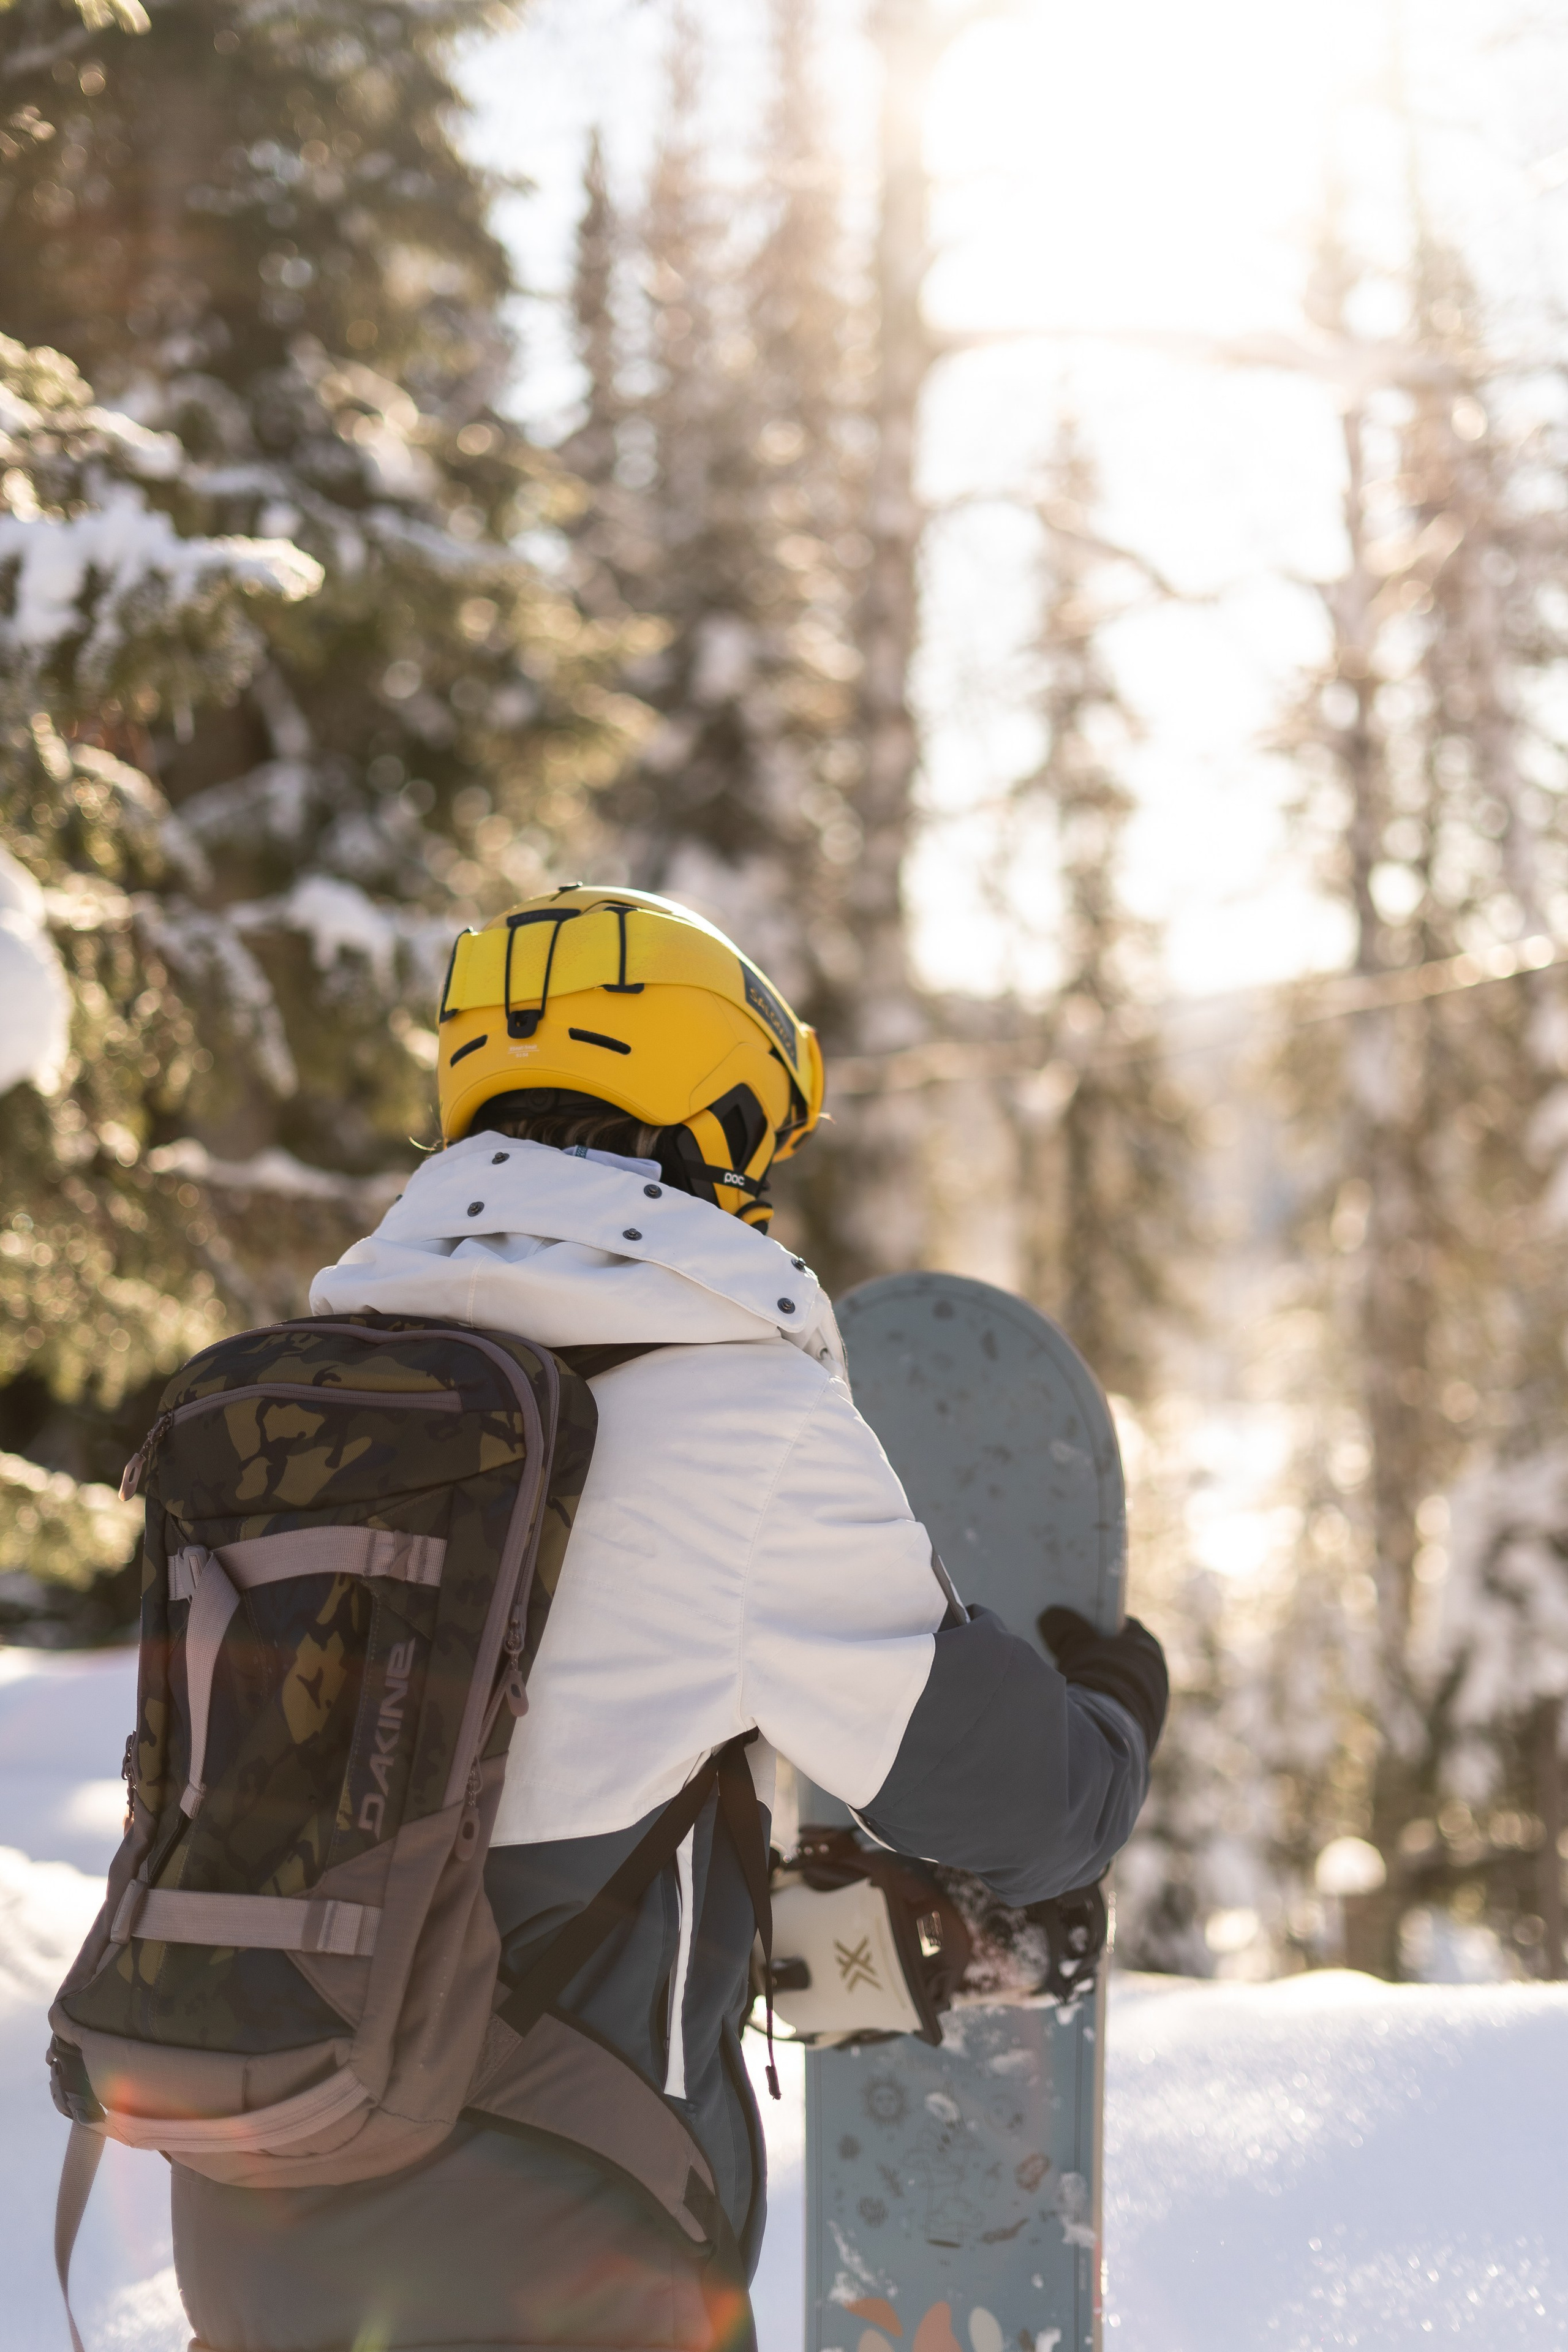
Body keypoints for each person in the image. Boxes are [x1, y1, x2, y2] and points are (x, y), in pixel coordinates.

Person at [170, 883, 1166, 2352]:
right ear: (709, 1119)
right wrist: (1114, 1709)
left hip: (244, 2221)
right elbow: (1022, 1807)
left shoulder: (286, 1404)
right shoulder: (736, 1423)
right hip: (551, 2259)